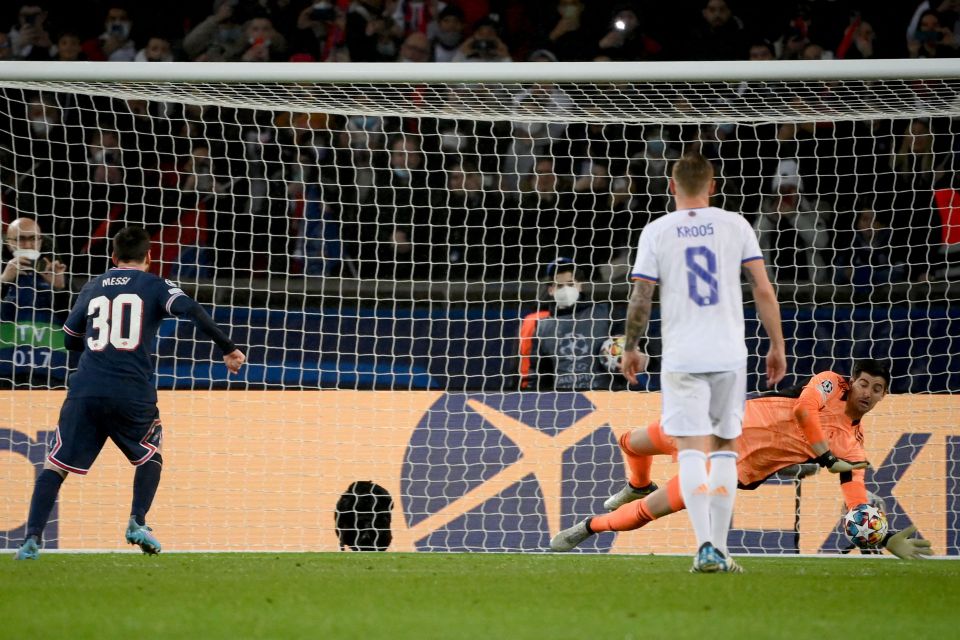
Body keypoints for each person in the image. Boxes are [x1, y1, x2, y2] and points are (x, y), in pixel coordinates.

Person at [14, 226, 246, 560]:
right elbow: (192, 310)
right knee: (151, 452)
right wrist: (228, 348)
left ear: (113, 257)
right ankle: (137, 522)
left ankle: (32, 540)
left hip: (86, 388)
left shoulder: (93, 286)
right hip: (131, 389)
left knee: (55, 465)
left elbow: (68, 338)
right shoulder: (156, 285)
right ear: (149, 258)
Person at [550, 360, 933, 561]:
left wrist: (882, 536)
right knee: (630, 442)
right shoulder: (831, 383)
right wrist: (825, 457)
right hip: (713, 424)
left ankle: (587, 527)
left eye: (878, 389)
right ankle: (636, 484)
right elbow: (803, 411)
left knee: (644, 515)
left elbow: (855, 498)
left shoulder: (854, 447)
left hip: (727, 467)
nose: (868, 392)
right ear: (854, 381)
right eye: (865, 383)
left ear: (884, 397)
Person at [620, 151, 786, 572]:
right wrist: (777, 345)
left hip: (682, 356)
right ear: (713, 186)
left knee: (692, 451)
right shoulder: (736, 225)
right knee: (726, 451)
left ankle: (705, 547)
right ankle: (722, 551)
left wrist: (631, 346)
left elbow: (641, 295)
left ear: (671, 186)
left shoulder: (657, 231)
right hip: (729, 353)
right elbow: (763, 290)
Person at [518, 258, 620, 392]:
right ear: (551, 290)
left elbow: (639, 352)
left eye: (571, 284)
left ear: (580, 286)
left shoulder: (606, 313)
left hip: (605, 401)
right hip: (564, 405)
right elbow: (538, 375)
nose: (566, 289)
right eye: (559, 286)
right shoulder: (543, 327)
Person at [1, 217, 71, 388]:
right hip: (6, 375)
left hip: (51, 375)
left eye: (33, 238)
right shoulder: (4, 275)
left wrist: (61, 289)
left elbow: (76, 323)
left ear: (41, 241)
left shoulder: (55, 275)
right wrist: (3, 281)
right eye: (20, 239)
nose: (27, 245)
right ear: (9, 243)